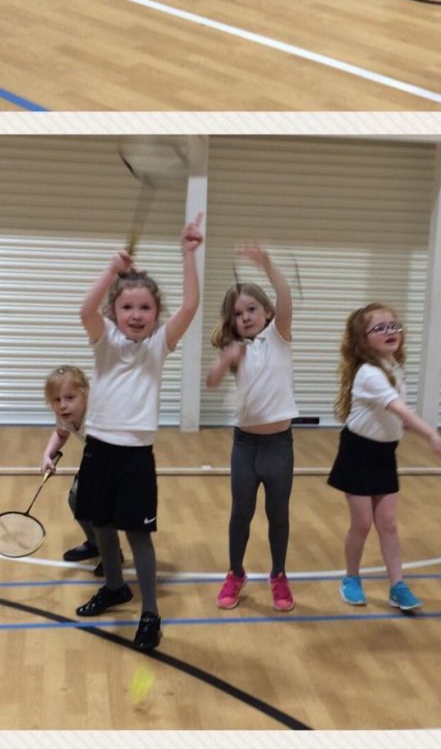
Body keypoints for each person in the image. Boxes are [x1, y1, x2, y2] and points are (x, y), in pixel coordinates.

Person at [72, 215, 204, 652]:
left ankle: (150, 613)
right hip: (99, 448)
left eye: (145, 308)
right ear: (114, 311)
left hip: (135, 455)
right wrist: (111, 270)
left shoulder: (158, 346)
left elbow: (190, 307)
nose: (135, 315)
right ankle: (114, 587)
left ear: (156, 315)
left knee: (138, 534)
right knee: (100, 524)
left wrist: (188, 254)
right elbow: (85, 310)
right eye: (127, 307)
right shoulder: (104, 339)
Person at [327, 303, 441, 613]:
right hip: (357, 452)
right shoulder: (369, 374)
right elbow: (400, 410)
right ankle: (351, 578)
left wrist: (419, 433)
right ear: (362, 340)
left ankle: (398, 585)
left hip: (384, 453)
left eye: (393, 325)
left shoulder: (393, 367)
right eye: (379, 328)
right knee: (362, 524)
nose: (390, 331)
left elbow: (398, 418)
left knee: (388, 523)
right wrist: (432, 435)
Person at [205, 243, 299, 612]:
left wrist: (267, 264)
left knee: (278, 515)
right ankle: (236, 572)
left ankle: (279, 574)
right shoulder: (235, 349)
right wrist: (223, 360)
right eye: (238, 313)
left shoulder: (279, 336)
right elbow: (211, 382)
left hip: (279, 446)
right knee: (240, 513)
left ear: (267, 311)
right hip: (245, 446)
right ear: (231, 321)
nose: (245, 317)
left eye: (252, 309)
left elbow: (285, 295)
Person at [38, 365, 122, 579]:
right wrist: (47, 454)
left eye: (69, 398)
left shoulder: (98, 415)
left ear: (85, 395)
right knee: (76, 500)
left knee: (102, 512)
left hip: (117, 460)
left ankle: (113, 555)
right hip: (96, 457)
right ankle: (95, 543)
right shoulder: (64, 415)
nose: (62, 405)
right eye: (56, 400)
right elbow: (61, 434)